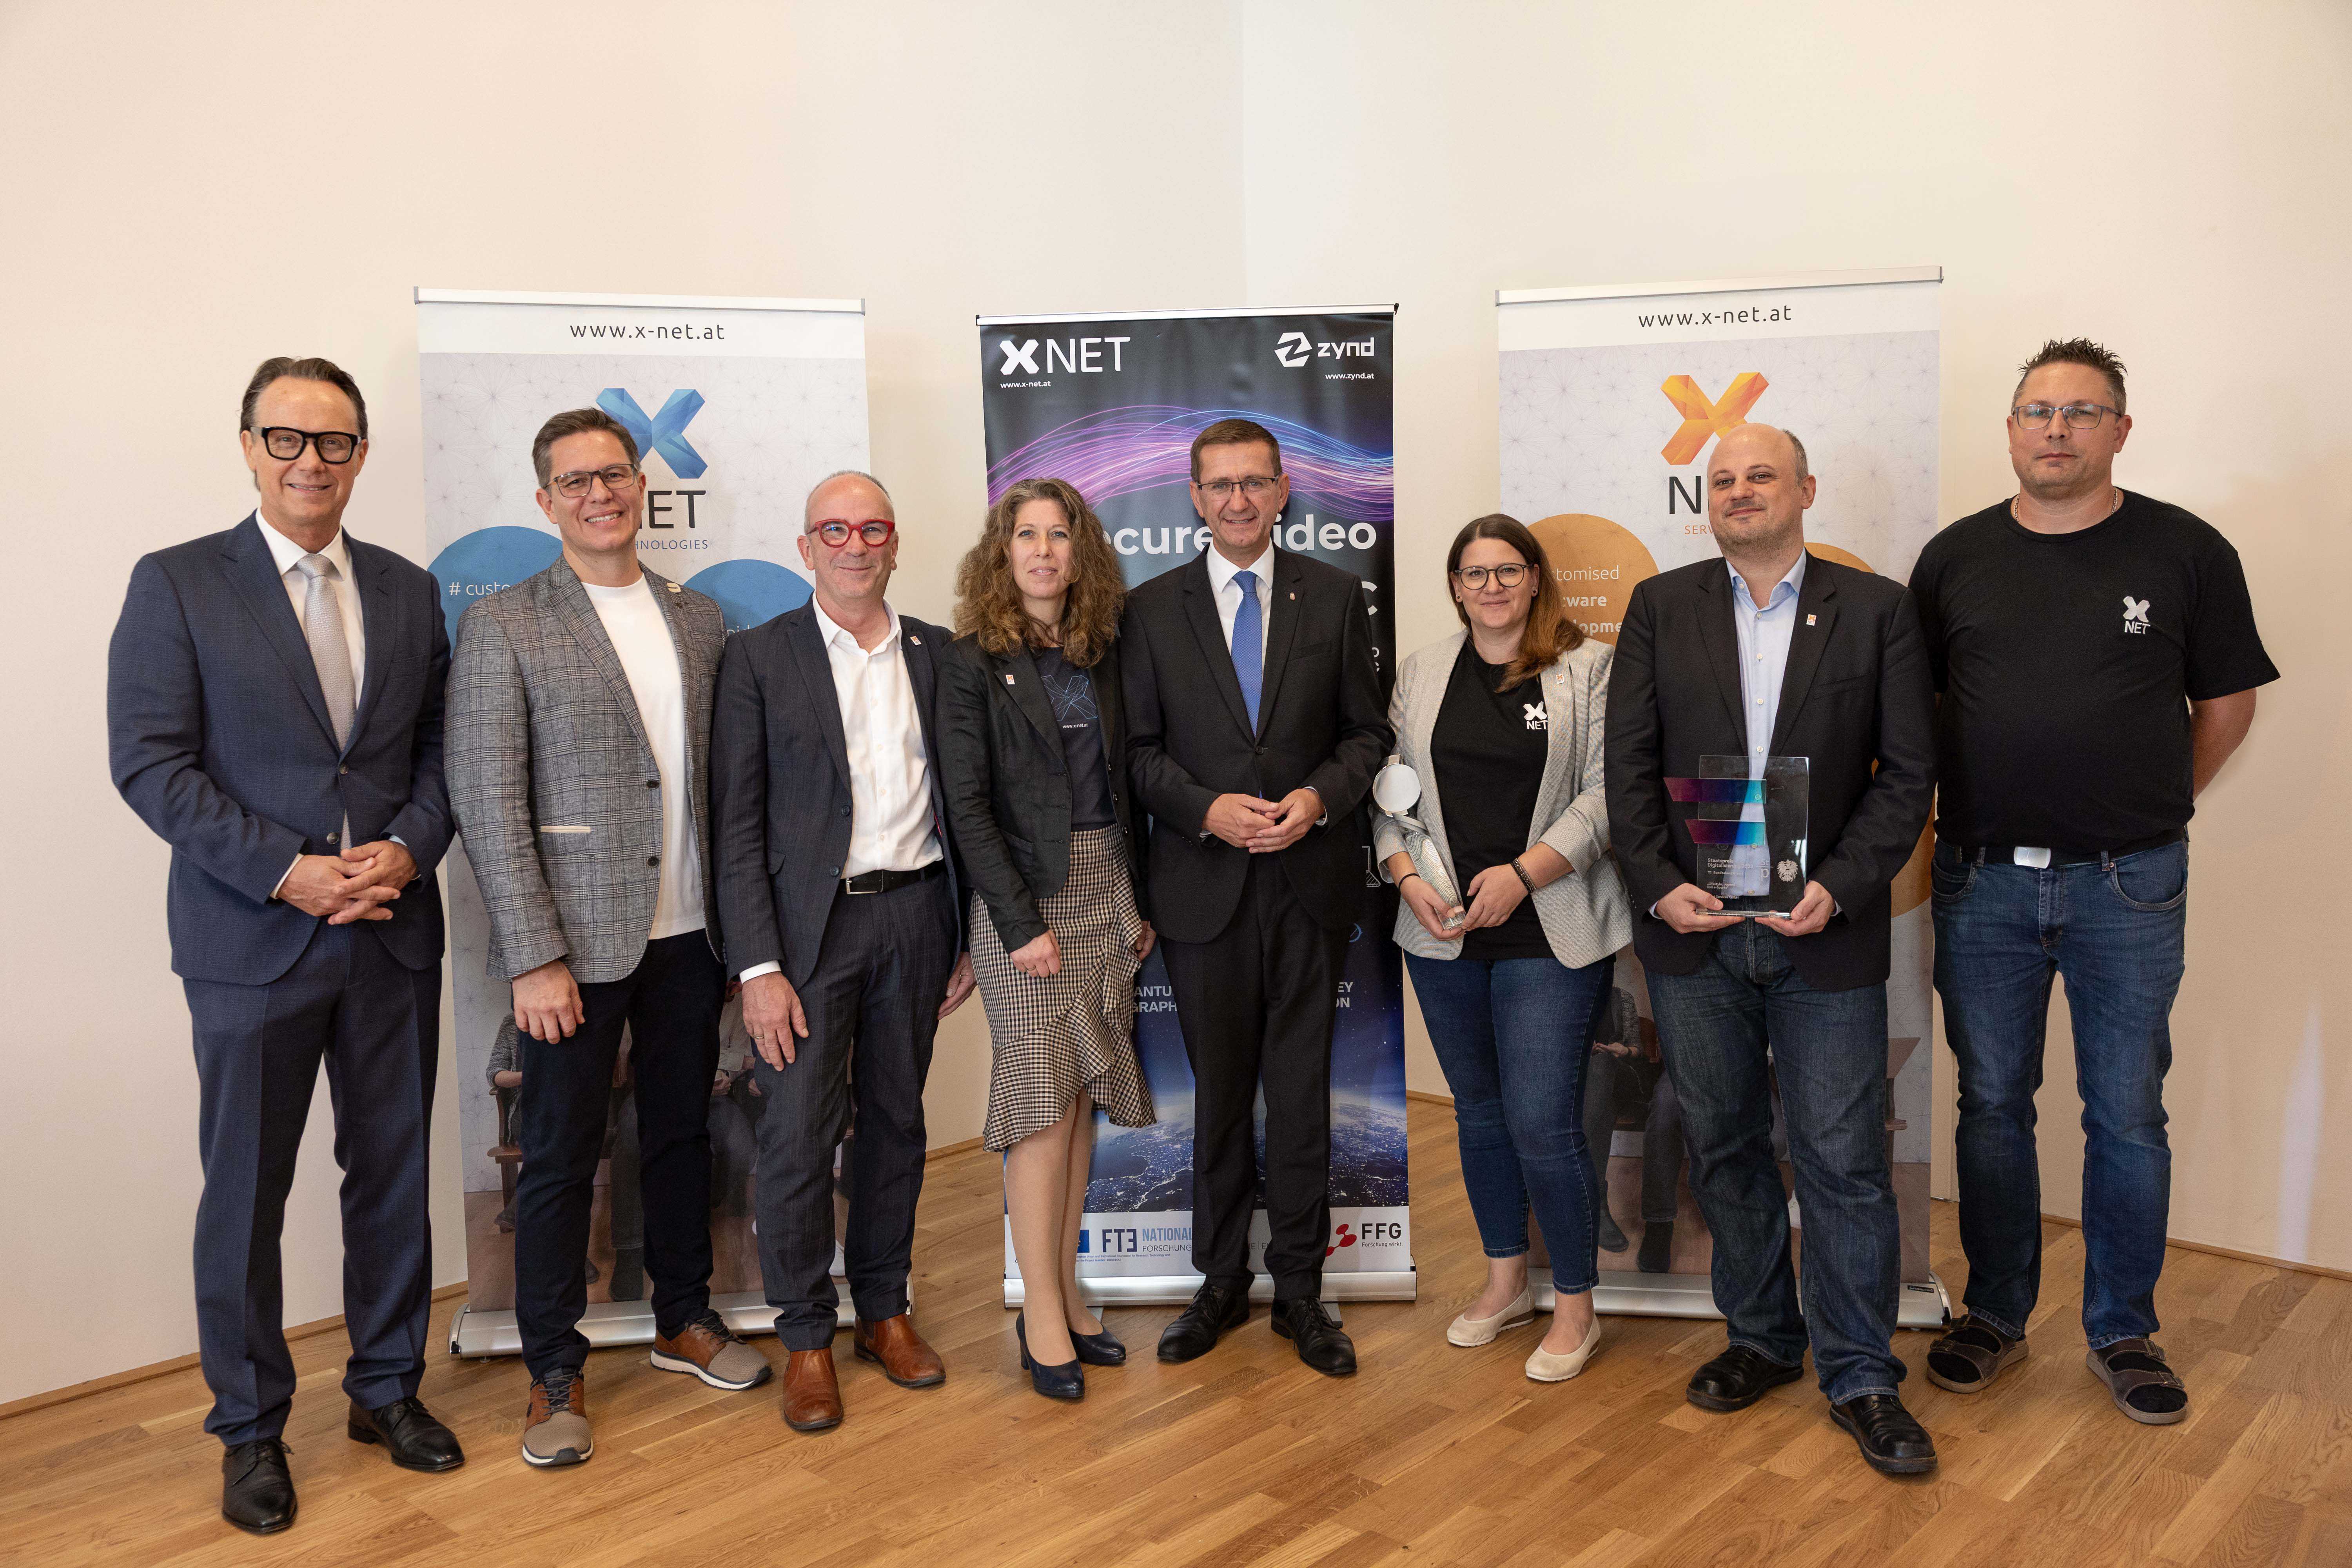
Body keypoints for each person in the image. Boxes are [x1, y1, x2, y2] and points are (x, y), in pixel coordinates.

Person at [107, 356, 462, 1534]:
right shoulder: (177, 583)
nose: (311, 461)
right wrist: (286, 869)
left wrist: (408, 848)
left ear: (360, 454)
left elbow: (438, 751)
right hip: (251, 937)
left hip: (391, 933)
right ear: (249, 446)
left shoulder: (409, 589)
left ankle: (385, 1389)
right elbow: (150, 762)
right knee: (246, 1191)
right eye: (287, 438)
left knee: (393, 1174)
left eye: (334, 441)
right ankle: (251, 1428)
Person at [1909, 339, 2276, 1424]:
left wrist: (2156, 804)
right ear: (2011, 430)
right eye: (2038, 410)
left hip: (2131, 885)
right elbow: (1916, 714)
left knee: (2125, 1112)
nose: (2056, 429)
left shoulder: (2186, 550)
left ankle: (2123, 1328)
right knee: (1990, 1104)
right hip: (1982, 883)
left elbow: (2227, 704)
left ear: (2121, 428)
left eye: (2080, 411)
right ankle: (1995, 1313)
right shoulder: (1954, 559)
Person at [1605, 423, 1938, 1477]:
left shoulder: (1877, 610)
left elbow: (1908, 775)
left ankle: (1863, 1373)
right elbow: (1627, 767)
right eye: (1723, 479)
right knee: (1724, 1147)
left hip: (1821, 934)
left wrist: (1841, 885)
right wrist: (1658, 887)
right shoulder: (1660, 607)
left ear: (1805, 489)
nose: (1740, 490)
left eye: (1761, 475)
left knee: (1844, 1162)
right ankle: (1761, 1336)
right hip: (1695, 936)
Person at [446, 407, 769, 1470]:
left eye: (615, 473)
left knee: (679, 1136)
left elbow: (724, 787)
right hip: (572, 951)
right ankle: (553, 1366)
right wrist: (533, 953)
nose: (601, 493)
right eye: (577, 480)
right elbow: (488, 797)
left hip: (691, 937)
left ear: (641, 486)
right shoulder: (506, 623)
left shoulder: (700, 617)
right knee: (558, 1158)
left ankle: (683, 1317)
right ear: (546, 501)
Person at [1121, 418, 1391, 1377]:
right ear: (1195, 498)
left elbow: (1367, 735)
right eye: (1220, 484)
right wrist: (1206, 808)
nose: (1238, 499)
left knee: (1302, 1093)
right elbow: (1136, 752)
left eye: (1254, 482)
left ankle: (1303, 1292)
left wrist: (1318, 799)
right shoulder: (1149, 609)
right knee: (1222, 1095)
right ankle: (1221, 1279)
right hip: (1203, 888)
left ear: (1282, 492)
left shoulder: (1339, 596)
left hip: (1309, 882)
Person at [710, 470, 976, 1433]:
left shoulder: (940, 654)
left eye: (872, 529)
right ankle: (807, 1337)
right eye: (834, 528)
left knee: (897, 1123)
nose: (854, 544)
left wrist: (967, 929)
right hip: (805, 936)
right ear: (805, 546)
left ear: (894, 543)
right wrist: (757, 967)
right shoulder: (757, 657)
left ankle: (884, 1309)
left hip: (917, 916)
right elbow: (736, 823)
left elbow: (969, 802)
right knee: (796, 1133)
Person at [1373, 514, 1629, 1381]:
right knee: (1478, 1112)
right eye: (1474, 573)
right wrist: (1406, 879)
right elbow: (1390, 796)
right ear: (1455, 585)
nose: (1491, 587)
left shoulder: (1588, 666)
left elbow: (1606, 796)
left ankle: (1577, 1306)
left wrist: (1523, 874)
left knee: (1542, 1120)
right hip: (1442, 928)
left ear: (1534, 578)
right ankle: (1506, 1281)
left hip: (1549, 923)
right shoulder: (1423, 670)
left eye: (1507, 570)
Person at [937, 477, 1158, 1402]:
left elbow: (1129, 784)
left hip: (1105, 888)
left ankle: (1065, 1291)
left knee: (1078, 1103)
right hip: (1024, 902)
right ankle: (1039, 1317)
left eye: (1058, 534)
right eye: (1024, 534)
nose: (1041, 550)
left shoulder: (1104, 651)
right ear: (1003, 551)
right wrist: (1020, 923)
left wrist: (1135, 901)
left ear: (1080, 551)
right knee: (1038, 1105)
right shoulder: (969, 661)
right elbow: (968, 806)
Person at [1582, 985, 1685, 1274]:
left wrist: (1623, 1050)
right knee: (1596, 1079)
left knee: (1603, 1065)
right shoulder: (1561, 996)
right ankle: (1592, 1203)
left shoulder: (1620, 997)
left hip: (1625, 1075)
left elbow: (1638, 1050)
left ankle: (1590, 1201)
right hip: (1584, 1081)